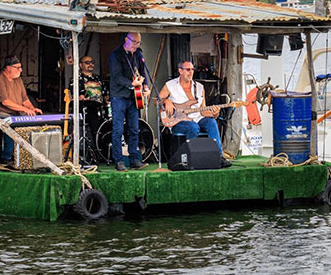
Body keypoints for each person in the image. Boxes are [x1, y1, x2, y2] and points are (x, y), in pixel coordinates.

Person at [159, 60, 231, 168]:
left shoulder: (199, 87)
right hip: (178, 121)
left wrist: (214, 113)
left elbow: (202, 110)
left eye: (192, 69)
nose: (191, 72)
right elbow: (157, 101)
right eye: (188, 69)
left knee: (211, 122)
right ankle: (191, 158)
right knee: (193, 127)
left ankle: (219, 157)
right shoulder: (170, 85)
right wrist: (166, 101)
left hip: (197, 118)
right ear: (180, 71)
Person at [109, 32, 150, 171]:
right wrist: (132, 84)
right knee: (118, 129)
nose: (137, 46)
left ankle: (134, 159)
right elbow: (117, 77)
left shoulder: (138, 54)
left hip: (134, 96)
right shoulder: (116, 55)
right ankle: (119, 160)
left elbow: (143, 73)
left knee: (134, 128)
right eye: (134, 42)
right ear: (126, 40)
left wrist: (145, 86)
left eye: (139, 43)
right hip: (119, 96)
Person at [0, 55, 42, 164]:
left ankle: (26, 156)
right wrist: (25, 109)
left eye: (21, 67)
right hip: (0, 111)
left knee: (32, 121)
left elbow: (25, 99)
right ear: (9, 68)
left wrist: (32, 109)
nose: (21, 70)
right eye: (18, 67)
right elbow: (5, 102)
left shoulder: (18, 79)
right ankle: (7, 157)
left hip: (14, 112)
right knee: (12, 125)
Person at [70, 55, 109, 163]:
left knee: (103, 130)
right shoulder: (77, 78)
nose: (90, 64)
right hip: (86, 110)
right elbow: (72, 96)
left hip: (100, 109)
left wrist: (107, 100)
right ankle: (92, 153)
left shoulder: (98, 78)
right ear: (81, 65)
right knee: (92, 130)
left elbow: (105, 94)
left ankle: (103, 153)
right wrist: (80, 97)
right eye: (87, 62)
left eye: (92, 62)